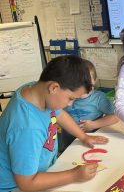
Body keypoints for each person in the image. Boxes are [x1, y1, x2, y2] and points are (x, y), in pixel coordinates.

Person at [0, 55, 109, 192]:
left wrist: (84, 136)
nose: (70, 104)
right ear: (54, 88)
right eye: (70, 98)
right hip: (14, 186)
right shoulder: (27, 128)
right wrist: (74, 175)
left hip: (38, 171)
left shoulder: (35, 90)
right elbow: (27, 184)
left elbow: (60, 115)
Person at [62, 59, 119, 150]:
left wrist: (93, 124)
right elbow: (55, 114)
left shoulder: (99, 98)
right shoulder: (65, 96)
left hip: (92, 139)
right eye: (78, 85)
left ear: (95, 81)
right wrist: (67, 100)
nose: (84, 90)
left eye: (88, 85)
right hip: (69, 139)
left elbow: (116, 117)